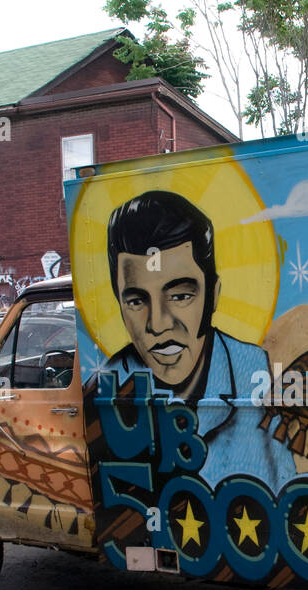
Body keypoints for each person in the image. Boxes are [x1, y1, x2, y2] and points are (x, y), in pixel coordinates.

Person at [96, 190, 296, 492]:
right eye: (137, 301)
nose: (158, 324)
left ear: (212, 296)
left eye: (180, 296)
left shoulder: (254, 372)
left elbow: (286, 491)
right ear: (119, 304)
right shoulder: (109, 384)